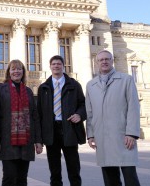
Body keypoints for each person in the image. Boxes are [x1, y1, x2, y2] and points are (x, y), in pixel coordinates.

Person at [85, 50, 141, 186]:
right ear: (96, 62)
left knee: (130, 178)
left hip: (123, 136)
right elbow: (89, 112)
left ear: (112, 61)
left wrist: (131, 133)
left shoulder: (126, 79)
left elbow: (133, 108)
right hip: (102, 137)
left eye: (107, 59)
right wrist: (91, 135)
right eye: (101, 60)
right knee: (110, 179)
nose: (104, 62)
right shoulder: (90, 85)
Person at [0, 59, 43, 186]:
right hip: (7, 141)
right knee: (9, 177)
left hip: (26, 142)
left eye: (19, 69)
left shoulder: (29, 91)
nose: (16, 71)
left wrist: (38, 141)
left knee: (22, 178)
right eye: (13, 69)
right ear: (9, 72)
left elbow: (35, 117)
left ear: (23, 72)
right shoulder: (0, 89)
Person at [37, 55, 86, 186]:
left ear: (63, 66)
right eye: (54, 64)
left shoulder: (74, 85)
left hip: (69, 129)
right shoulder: (43, 88)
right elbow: (39, 113)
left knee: (74, 168)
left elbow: (84, 104)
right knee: (54, 170)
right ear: (50, 67)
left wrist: (79, 115)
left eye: (59, 64)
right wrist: (39, 139)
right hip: (51, 131)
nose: (56, 66)